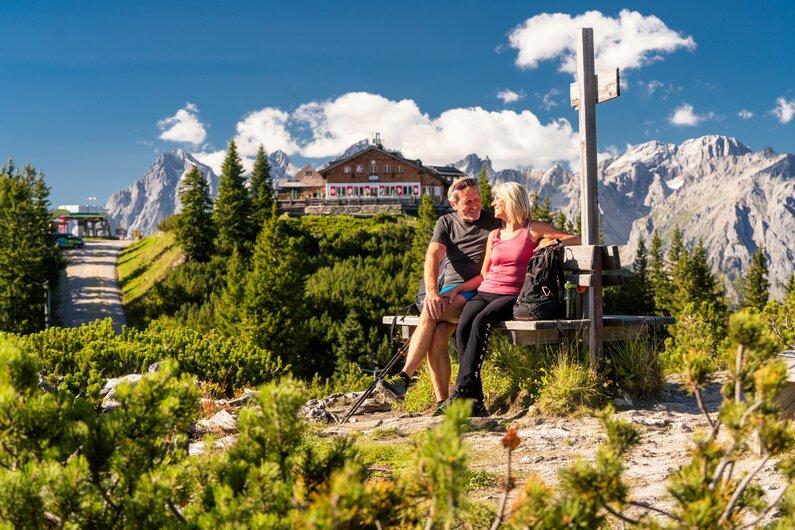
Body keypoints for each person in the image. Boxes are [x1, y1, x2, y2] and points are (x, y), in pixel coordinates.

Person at [441, 182, 580, 417]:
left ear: (511, 201)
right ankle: (474, 401)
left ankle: (462, 391)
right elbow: (484, 273)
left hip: (513, 295)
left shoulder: (533, 229)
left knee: (481, 321)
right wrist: (458, 289)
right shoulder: (495, 235)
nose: (492, 203)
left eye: (497, 199)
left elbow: (575, 238)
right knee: (464, 324)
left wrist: (552, 242)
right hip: (486, 290)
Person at [377, 177, 501, 405]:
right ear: (454, 204)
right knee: (436, 337)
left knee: (429, 312)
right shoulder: (446, 222)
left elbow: (525, 228)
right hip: (449, 292)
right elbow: (433, 256)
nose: (474, 205)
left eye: (477, 199)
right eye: (467, 202)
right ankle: (442, 402)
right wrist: (432, 291)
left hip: (478, 291)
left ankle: (404, 378)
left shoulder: (494, 222)